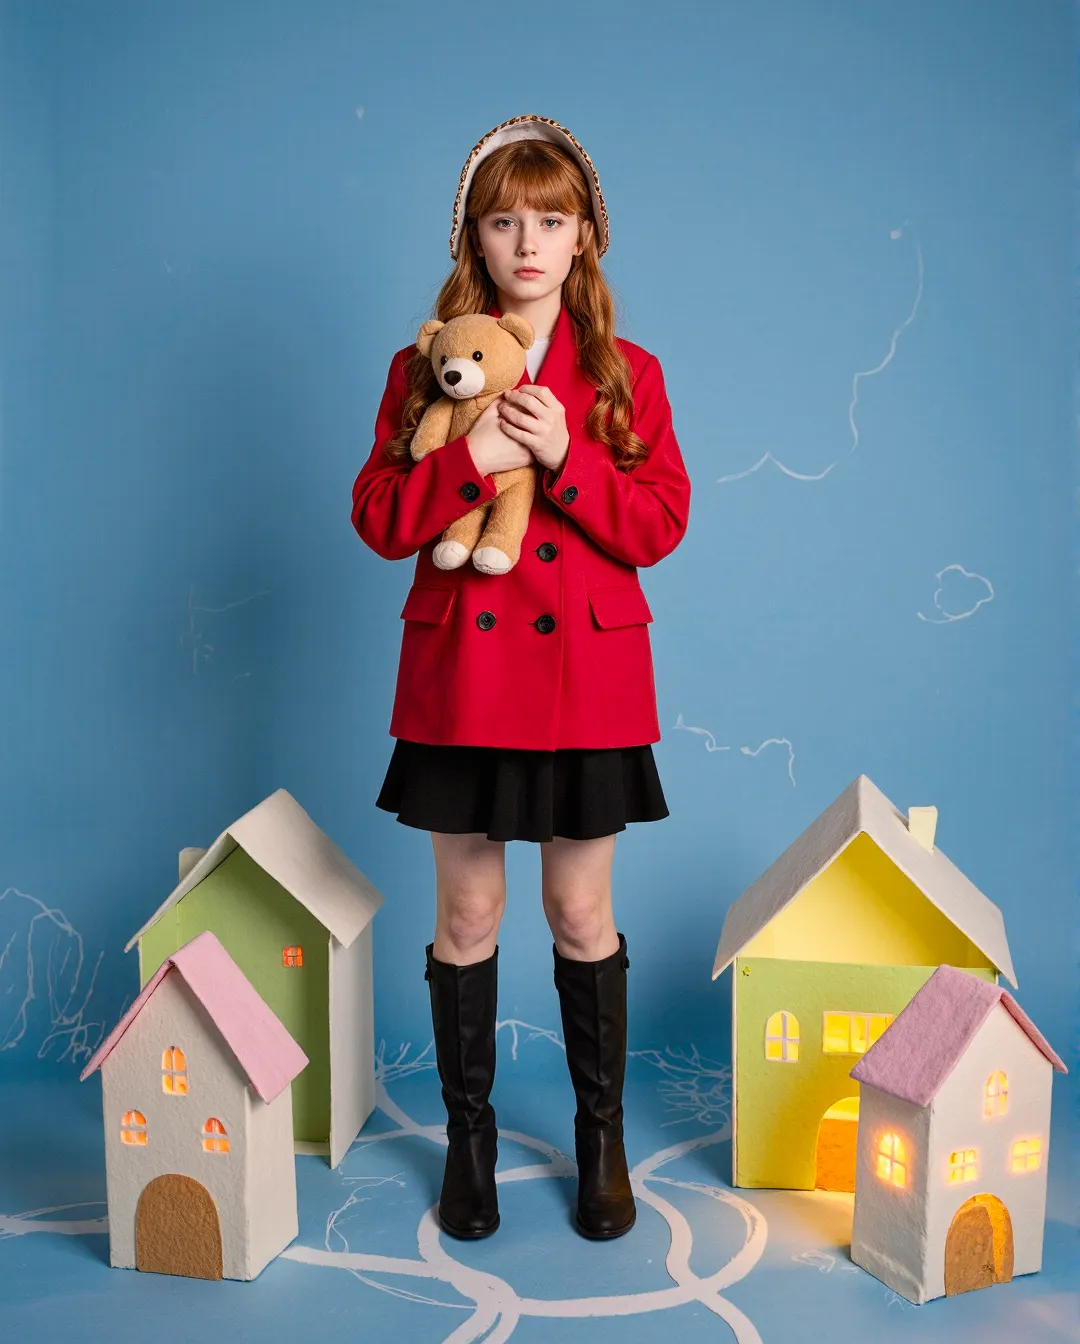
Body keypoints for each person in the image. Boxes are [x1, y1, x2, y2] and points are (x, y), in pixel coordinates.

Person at [350, 114, 691, 1243]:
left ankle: (603, 1143)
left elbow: (660, 525)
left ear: (585, 236)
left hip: (587, 679)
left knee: (579, 909)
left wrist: (561, 458)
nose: (528, 242)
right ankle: (469, 1145)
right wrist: (473, 459)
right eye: (504, 222)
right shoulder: (423, 364)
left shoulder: (628, 374)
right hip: (465, 676)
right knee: (468, 909)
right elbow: (377, 517)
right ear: (475, 240)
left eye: (551, 220)